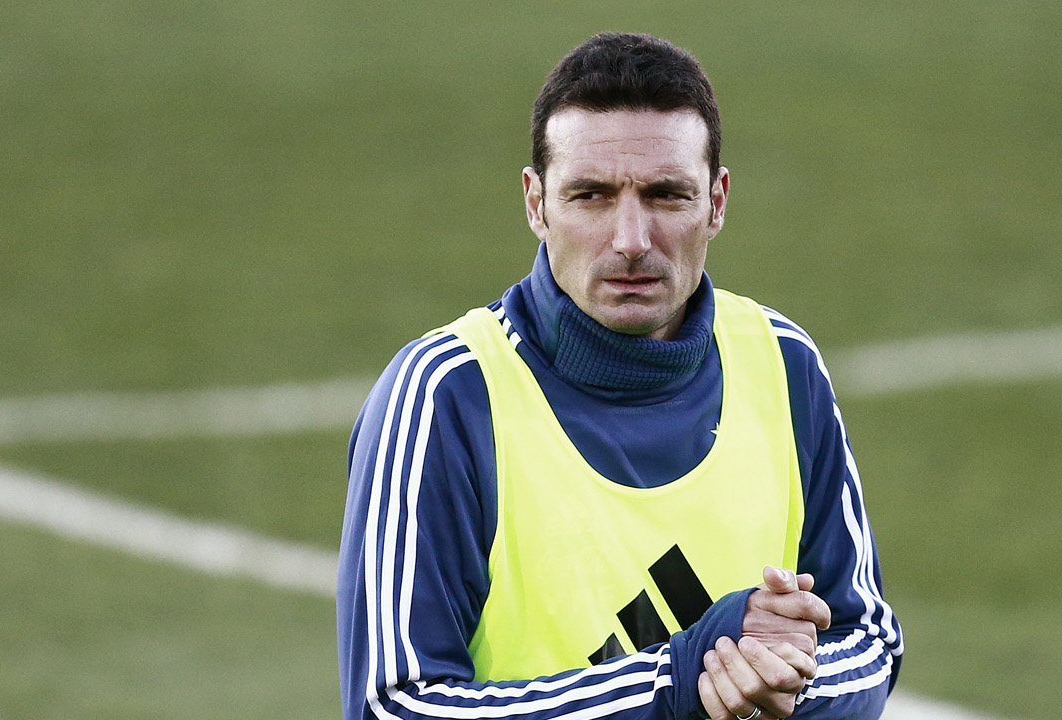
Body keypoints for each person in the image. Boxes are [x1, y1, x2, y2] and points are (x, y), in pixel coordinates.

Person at [336, 32, 902, 720]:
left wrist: (777, 679)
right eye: (591, 196)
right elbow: (395, 708)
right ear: (536, 203)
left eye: (666, 195)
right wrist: (677, 683)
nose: (631, 240)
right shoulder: (445, 396)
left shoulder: (782, 362)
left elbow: (868, 642)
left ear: (717, 202)